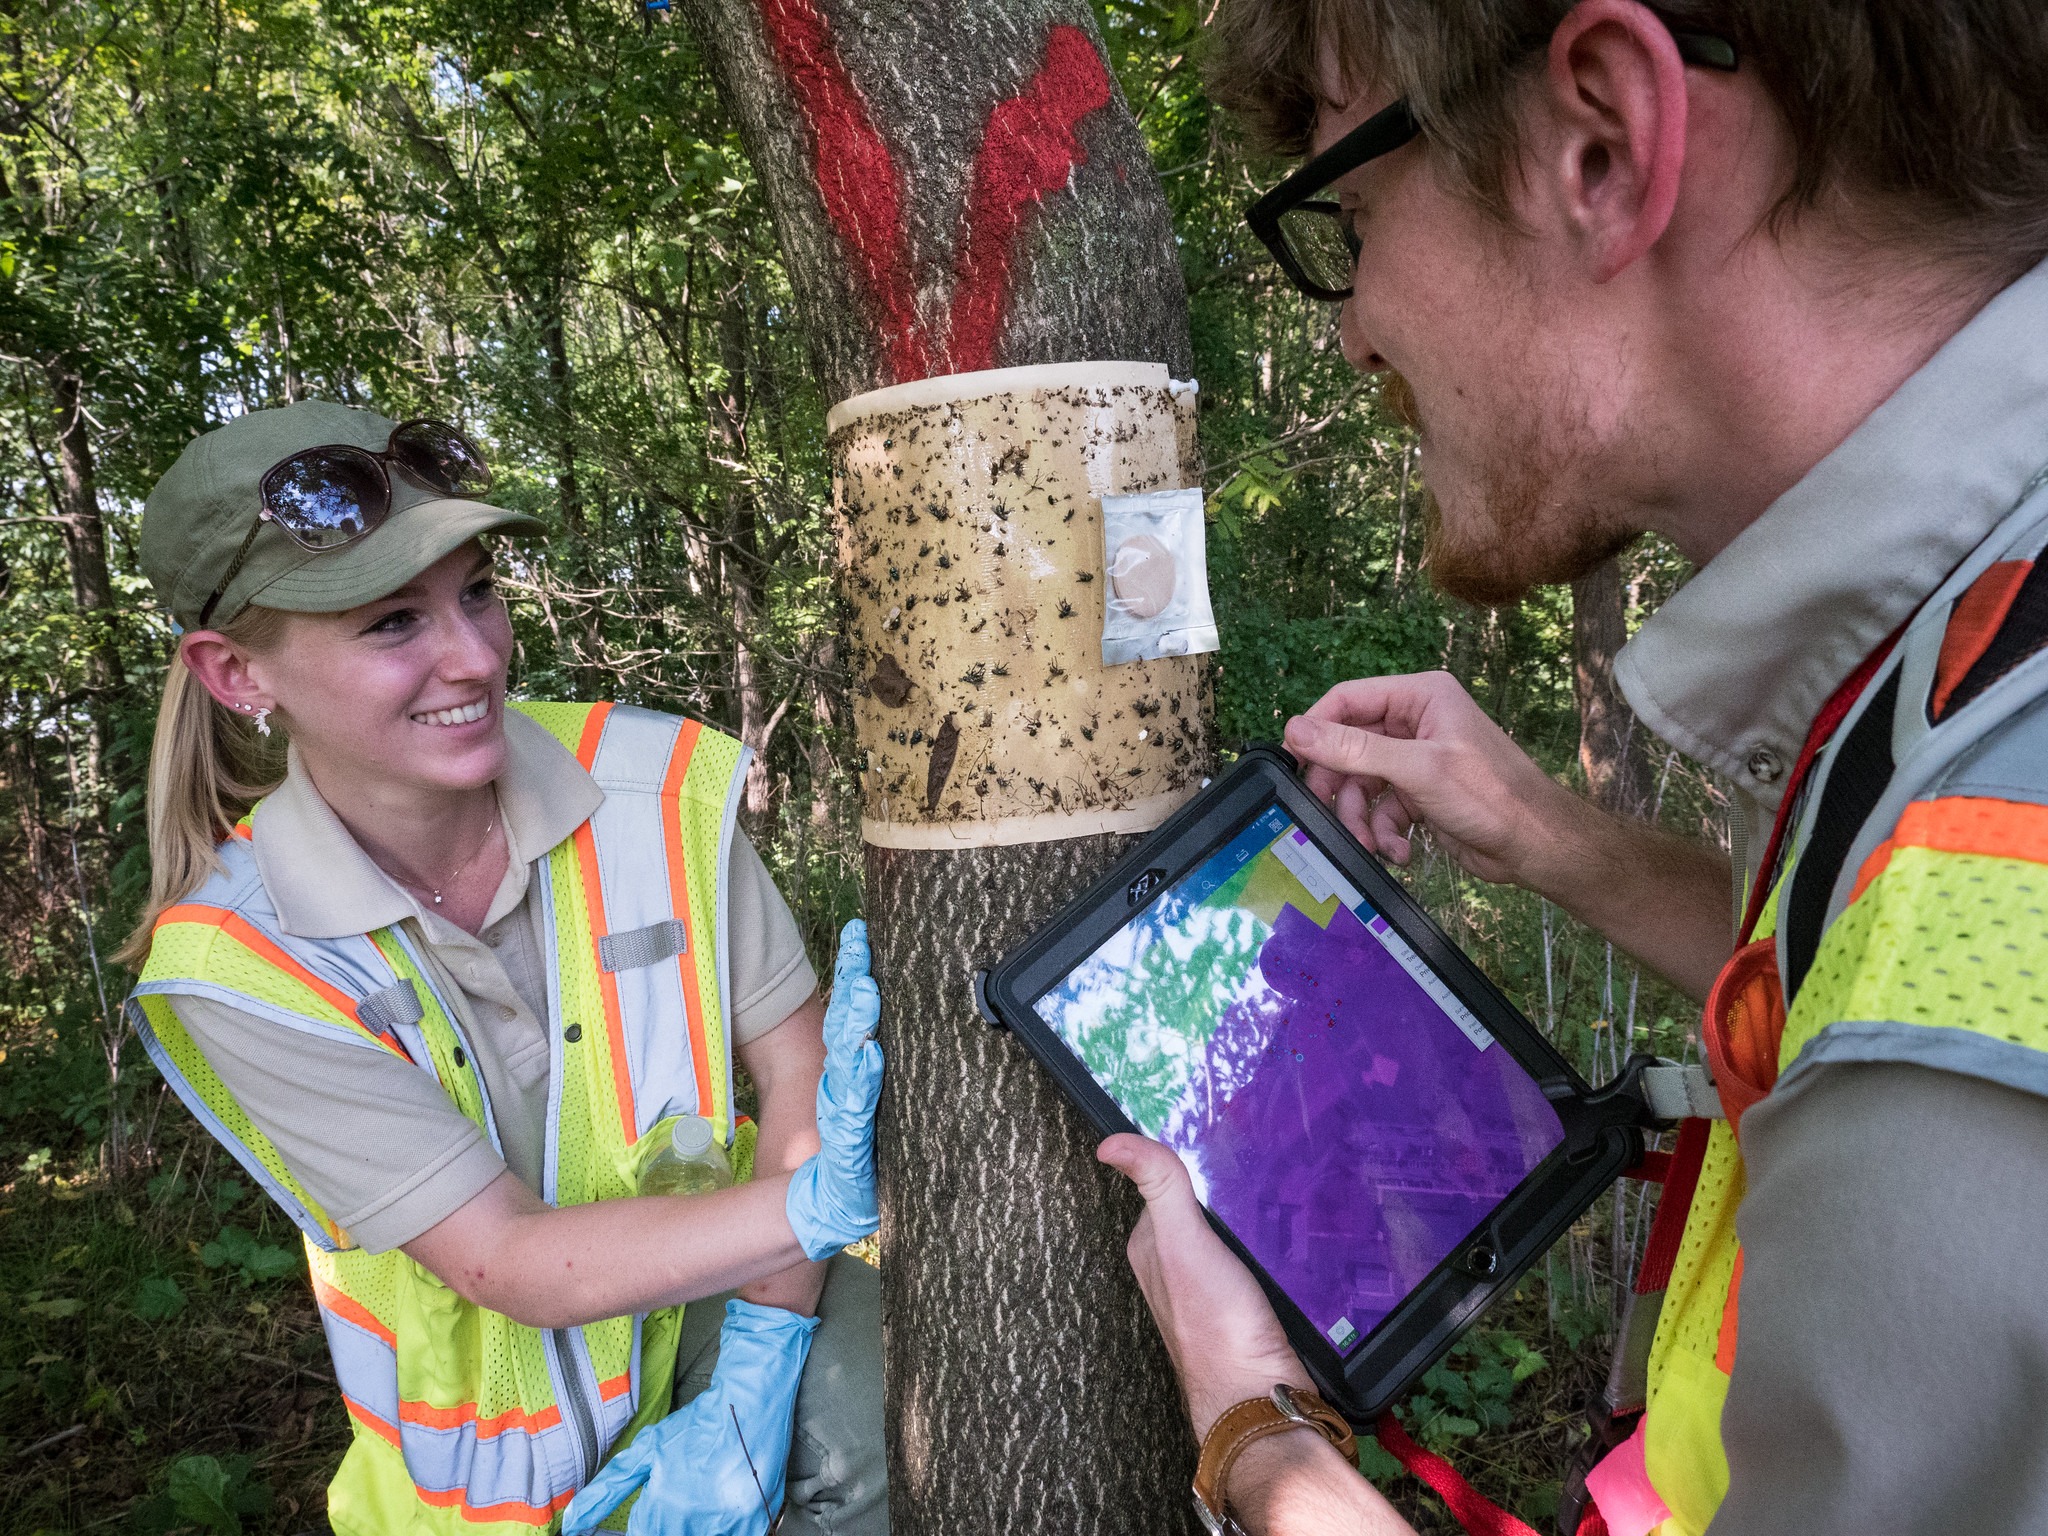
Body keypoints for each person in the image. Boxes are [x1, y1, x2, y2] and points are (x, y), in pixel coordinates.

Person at [1097, 3, 2048, 1533]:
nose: (1354, 330)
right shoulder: (1972, 654)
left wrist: (1252, 1434)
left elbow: (1935, 987)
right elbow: (1866, 965)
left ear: (1599, 145)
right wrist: (1555, 836)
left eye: (1351, 210)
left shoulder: (1982, 957)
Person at [121, 401, 888, 1536]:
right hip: (481, 1488)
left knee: (879, 1413)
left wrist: (761, 1363)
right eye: (391, 624)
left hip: (704, 1322)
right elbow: (507, 1261)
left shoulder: (653, 788)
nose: (473, 656)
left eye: (476, 591)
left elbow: (793, 1065)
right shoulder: (240, 963)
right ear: (235, 672)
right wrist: (817, 1204)